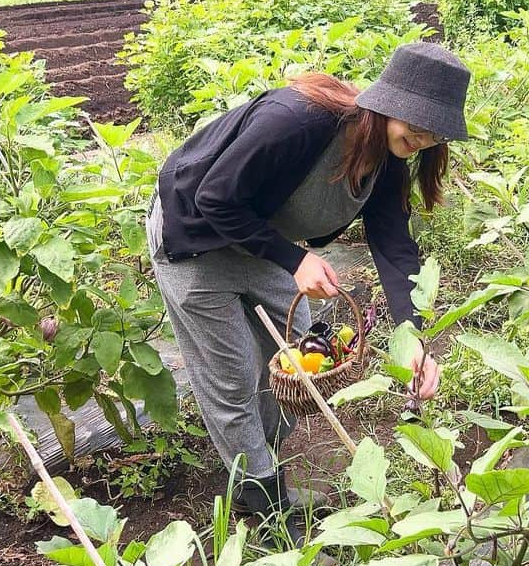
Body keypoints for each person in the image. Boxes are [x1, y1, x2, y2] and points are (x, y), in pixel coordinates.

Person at [144, 40, 470, 526]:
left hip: (259, 239)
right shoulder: (296, 122)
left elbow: (395, 249)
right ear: (385, 103)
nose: (422, 138)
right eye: (415, 123)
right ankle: (267, 512)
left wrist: (414, 340)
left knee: (303, 363)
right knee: (231, 379)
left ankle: (257, 462)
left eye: (433, 132)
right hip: (196, 238)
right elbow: (215, 196)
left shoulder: (386, 161)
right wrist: (294, 259)